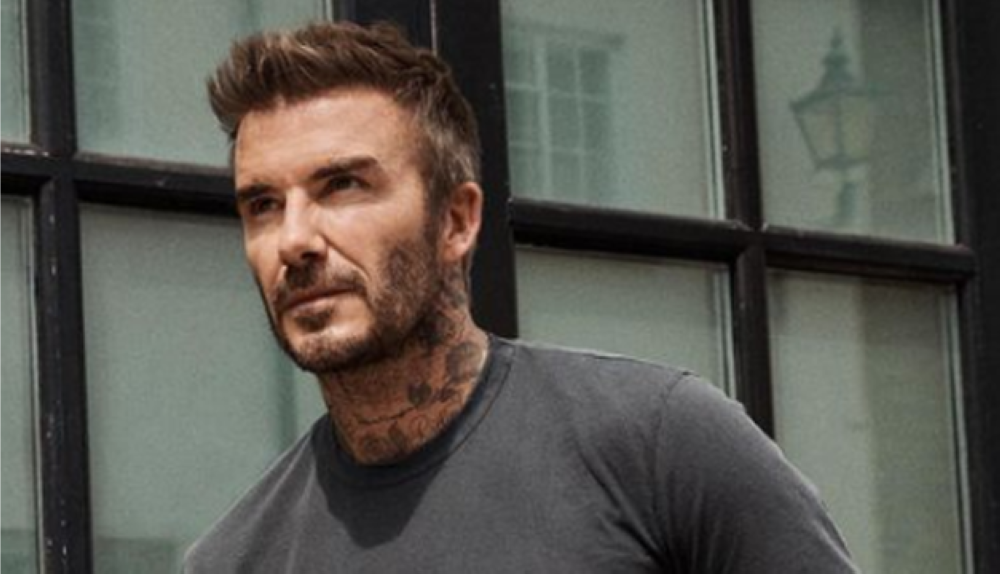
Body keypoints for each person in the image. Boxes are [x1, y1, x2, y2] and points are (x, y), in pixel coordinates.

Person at [185, 21, 858, 573]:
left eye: (343, 186)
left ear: (456, 221)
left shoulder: (661, 446)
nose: (294, 240)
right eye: (263, 204)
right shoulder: (235, 558)